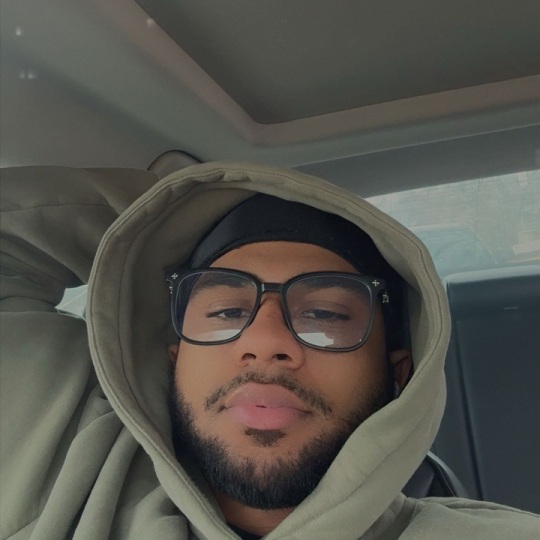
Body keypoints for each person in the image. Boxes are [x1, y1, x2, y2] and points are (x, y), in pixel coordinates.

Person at [1, 162, 537, 539]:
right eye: (226, 312)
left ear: (399, 375)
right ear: (174, 359)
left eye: (324, 315)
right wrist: (167, 212)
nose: (265, 342)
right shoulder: (65, 472)